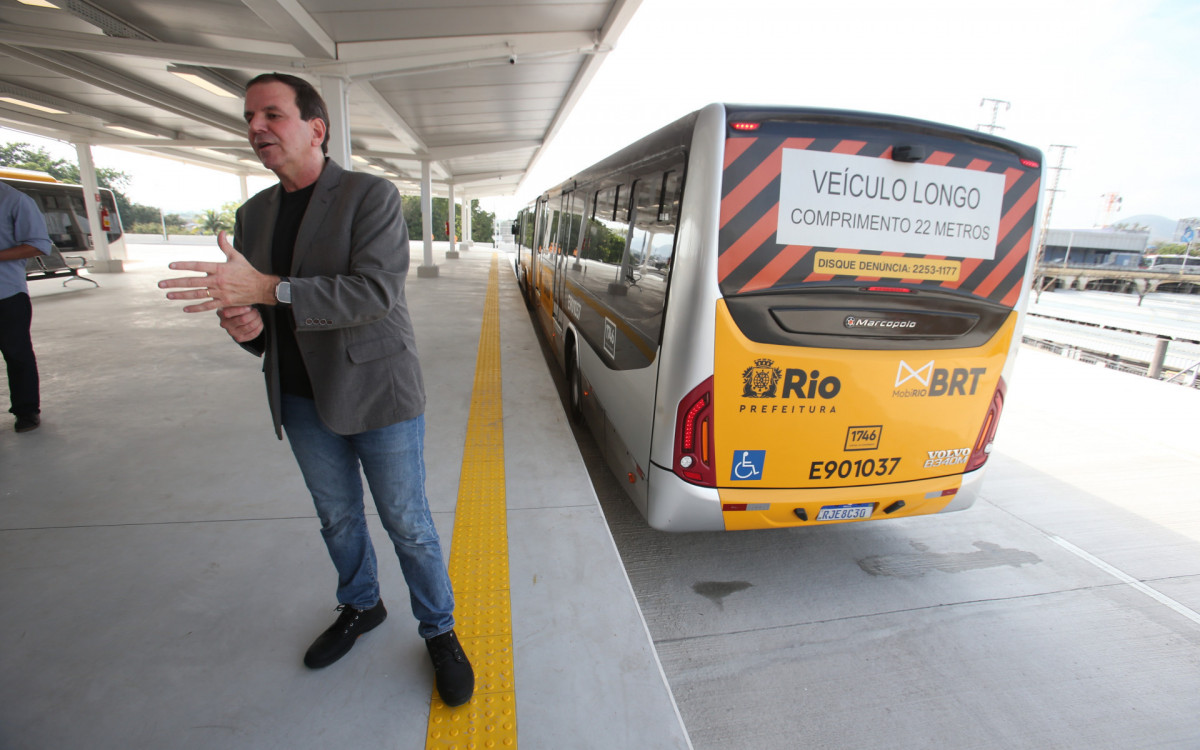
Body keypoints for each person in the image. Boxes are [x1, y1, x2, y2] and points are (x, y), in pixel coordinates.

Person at [158, 72, 473, 706]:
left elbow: (374, 291)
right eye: (250, 119)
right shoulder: (254, 215)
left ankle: (439, 630)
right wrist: (244, 324)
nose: (256, 129)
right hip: (300, 397)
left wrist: (266, 291)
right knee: (336, 518)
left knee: (408, 523)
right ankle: (361, 606)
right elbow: (261, 322)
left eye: (272, 115)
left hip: (377, 393)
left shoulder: (370, 196)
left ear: (316, 128)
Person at [0, 181, 53, 434]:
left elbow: (38, 244)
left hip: (6, 293)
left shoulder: (14, 200)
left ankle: (26, 410)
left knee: (17, 354)